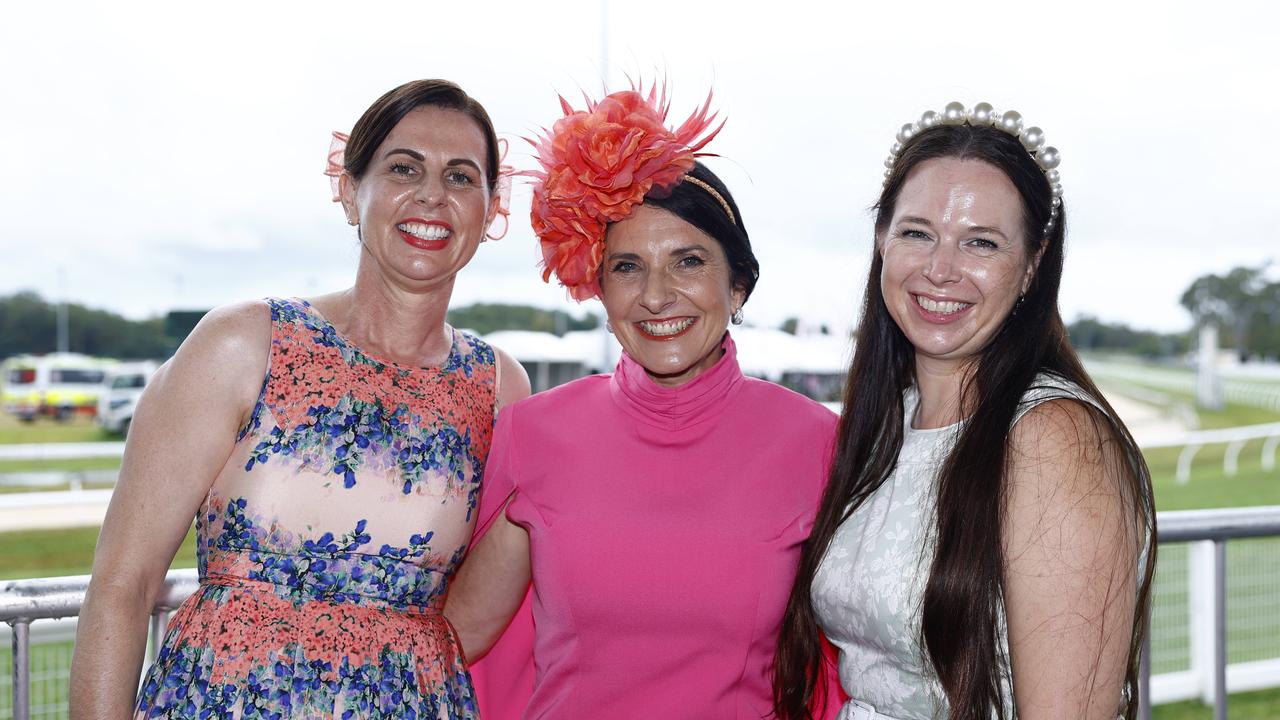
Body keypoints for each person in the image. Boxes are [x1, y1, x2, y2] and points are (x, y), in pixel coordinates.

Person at [69, 79, 530, 718]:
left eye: (460, 176)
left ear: (488, 209)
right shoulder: (244, 344)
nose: (432, 195)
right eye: (404, 168)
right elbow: (122, 586)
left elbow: (470, 616)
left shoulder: (500, 386)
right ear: (349, 191)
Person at [444, 85, 842, 719]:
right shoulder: (532, 433)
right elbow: (452, 643)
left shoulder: (819, 442)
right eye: (627, 267)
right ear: (599, 289)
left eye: (687, 261)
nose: (657, 296)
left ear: (737, 284)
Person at [773, 102, 1156, 720]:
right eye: (917, 233)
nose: (941, 270)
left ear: (1032, 265)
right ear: (882, 242)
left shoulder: (1053, 439)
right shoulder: (884, 425)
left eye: (980, 242)